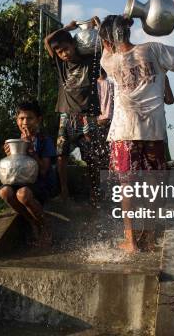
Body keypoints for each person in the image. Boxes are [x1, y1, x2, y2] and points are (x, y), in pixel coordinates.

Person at [99, 0, 174, 253]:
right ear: (127, 32)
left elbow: (108, 44)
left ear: (106, 40)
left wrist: (118, 21)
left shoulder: (108, 62)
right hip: (153, 132)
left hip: (123, 133)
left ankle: (130, 240)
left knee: (127, 187)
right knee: (153, 186)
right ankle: (149, 237)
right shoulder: (153, 50)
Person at [44, 17, 102, 206]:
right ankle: (64, 192)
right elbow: (47, 41)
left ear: (74, 45)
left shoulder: (90, 62)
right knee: (61, 155)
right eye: (59, 52)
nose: (63, 54)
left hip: (87, 115)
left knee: (91, 157)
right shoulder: (61, 65)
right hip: (66, 115)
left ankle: (94, 191)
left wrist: (98, 28)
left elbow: (106, 47)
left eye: (66, 49)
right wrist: (66, 28)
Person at [0, 101, 57, 247]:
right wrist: (10, 156)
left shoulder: (44, 140)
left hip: (43, 183)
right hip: (21, 183)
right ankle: (32, 222)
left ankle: (46, 226)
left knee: (22, 194)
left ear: (38, 120)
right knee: (5, 192)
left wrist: (31, 150)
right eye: (21, 118)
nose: (25, 122)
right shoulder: (15, 141)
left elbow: (43, 170)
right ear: (17, 120)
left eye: (30, 118)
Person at [96, 67, 114, 171]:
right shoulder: (112, 83)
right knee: (110, 154)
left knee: (100, 154)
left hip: (99, 121)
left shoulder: (93, 85)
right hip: (111, 121)